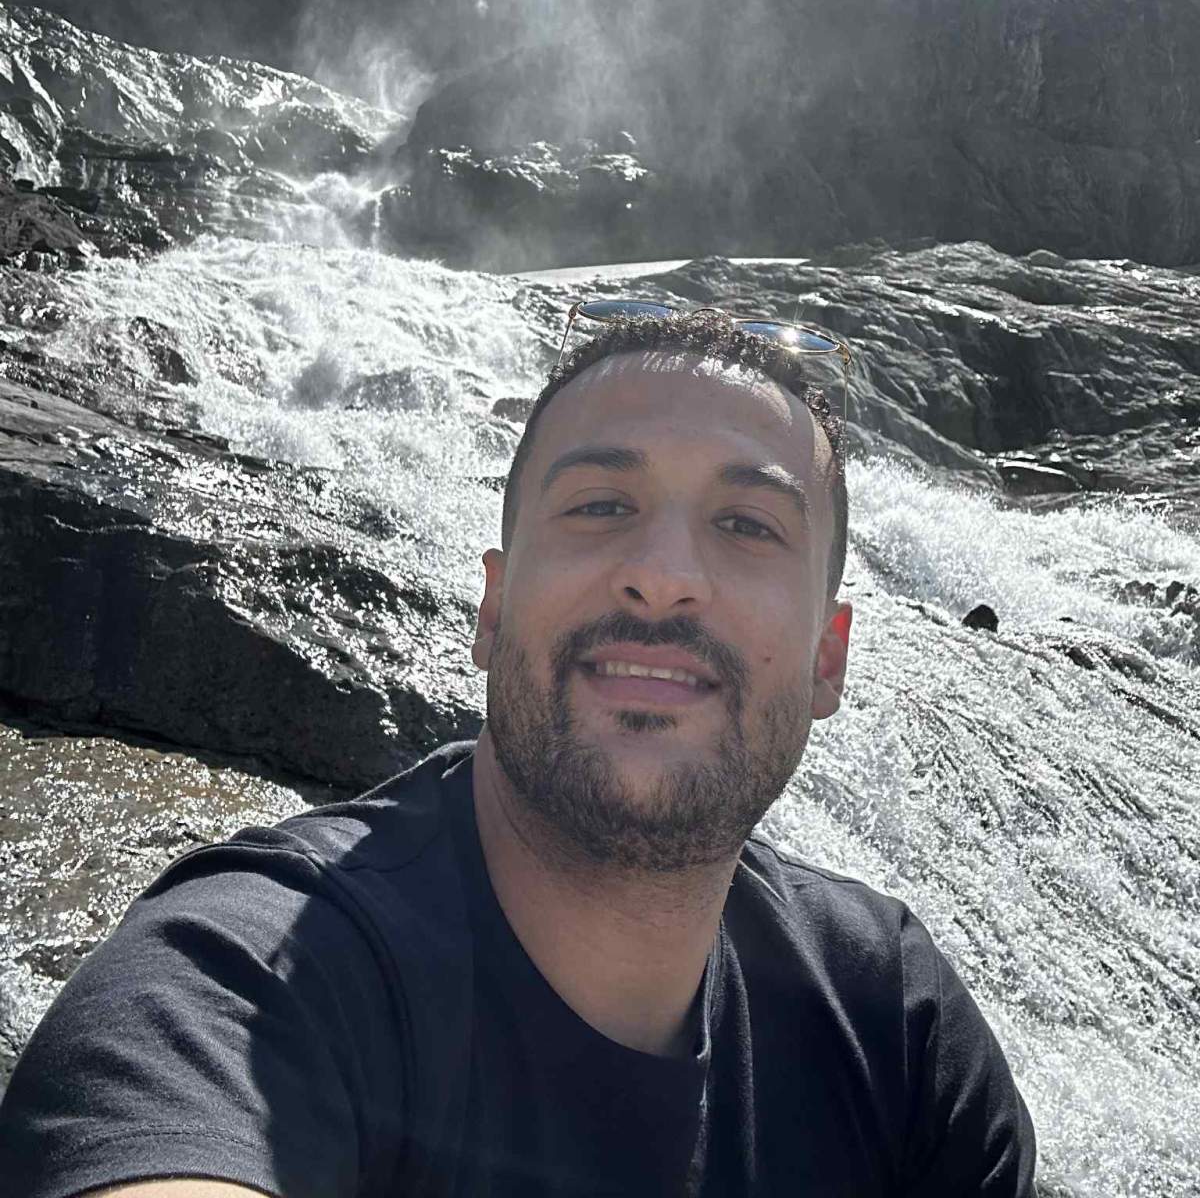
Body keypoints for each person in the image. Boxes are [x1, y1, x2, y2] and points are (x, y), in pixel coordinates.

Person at [0, 306, 1037, 1197]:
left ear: (827, 659)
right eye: (601, 506)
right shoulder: (242, 978)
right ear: (491, 611)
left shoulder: (895, 1028)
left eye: (747, 524)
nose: (664, 574)